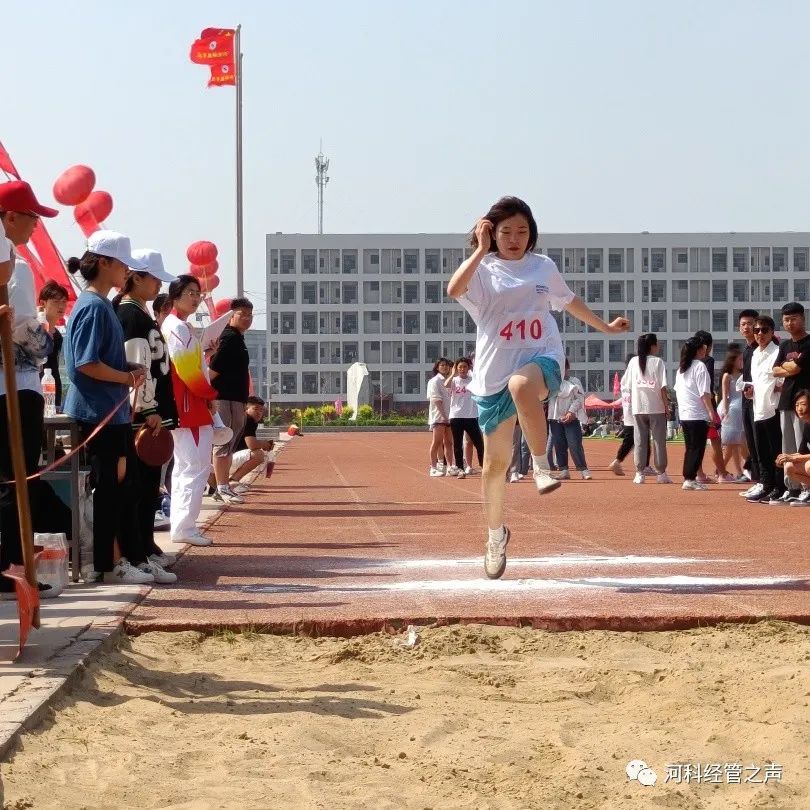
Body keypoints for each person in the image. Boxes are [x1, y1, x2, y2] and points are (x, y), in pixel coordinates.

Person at [447, 196, 629, 579]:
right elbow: (453, 289)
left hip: (543, 359)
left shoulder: (543, 267)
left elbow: (570, 301)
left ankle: (543, 467)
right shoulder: (483, 269)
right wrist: (481, 250)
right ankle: (495, 536)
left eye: (522, 231)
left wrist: (606, 328)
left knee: (521, 385)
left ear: (532, 235)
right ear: (491, 233)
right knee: (494, 468)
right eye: (506, 232)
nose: (514, 239)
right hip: (492, 373)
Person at [63, 230, 156, 584]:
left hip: (109, 410)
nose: (126, 273)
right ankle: (107, 564)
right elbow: (85, 364)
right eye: (122, 265)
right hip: (98, 410)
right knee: (112, 490)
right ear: (104, 263)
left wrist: (125, 372)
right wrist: (125, 377)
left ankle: (115, 561)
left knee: (119, 487)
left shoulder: (99, 305)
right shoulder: (92, 306)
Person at [0, 181, 72, 597]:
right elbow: (27, 332)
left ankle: (11, 561)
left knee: (10, 480)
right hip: (19, 385)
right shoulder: (17, 266)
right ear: (10, 216)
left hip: (14, 384)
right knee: (16, 480)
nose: (34, 227)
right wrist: (45, 340)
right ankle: (13, 564)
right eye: (32, 218)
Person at [114, 249, 179, 582]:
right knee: (139, 487)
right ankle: (136, 552)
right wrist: (148, 408)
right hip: (142, 415)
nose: (157, 285)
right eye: (152, 278)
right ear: (135, 277)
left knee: (149, 487)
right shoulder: (131, 317)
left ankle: (145, 547)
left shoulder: (139, 315)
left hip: (152, 412)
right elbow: (138, 367)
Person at [162, 274, 218, 545]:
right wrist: (208, 394)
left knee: (187, 466)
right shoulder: (178, 328)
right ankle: (185, 526)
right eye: (190, 293)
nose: (195, 298)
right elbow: (185, 369)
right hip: (188, 406)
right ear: (176, 295)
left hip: (189, 404)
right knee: (194, 465)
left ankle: (182, 525)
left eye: (197, 293)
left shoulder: (181, 326)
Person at [208, 297, 254, 504]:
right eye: (241, 314)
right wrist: (210, 397)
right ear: (230, 316)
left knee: (229, 443)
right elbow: (212, 372)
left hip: (236, 400)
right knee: (223, 443)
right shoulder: (228, 338)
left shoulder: (238, 338)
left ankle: (222, 486)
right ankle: (222, 487)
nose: (246, 318)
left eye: (249, 315)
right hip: (224, 399)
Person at [771, 302, 810, 506]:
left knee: (802, 446)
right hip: (786, 400)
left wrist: (789, 368)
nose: (790, 322)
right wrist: (790, 368)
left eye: (794, 318)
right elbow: (776, 370)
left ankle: (807, 488)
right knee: (788, 445)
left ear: (803, 319)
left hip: (805, 401)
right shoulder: (785, 345)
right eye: (786, 319)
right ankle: (791, 487)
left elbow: (795, 369)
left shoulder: (809, 343)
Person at [622, 333, 671, 484]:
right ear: (652, 346)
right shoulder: (658, 362)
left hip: (638, 407)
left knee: (640, 441)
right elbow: (662, 388)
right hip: (656, 407)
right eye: (657, 344)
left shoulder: (633, 362)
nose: (658, 346)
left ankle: (639, 473)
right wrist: (666, 406)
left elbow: (627, 385)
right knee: (658, 441)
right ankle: (661, 473)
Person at [746, 316, 783, 503]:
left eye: (764, 330)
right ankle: (767, 485)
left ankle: (779, 486)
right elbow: (756, 380)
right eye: (757, 330)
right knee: (761, 452)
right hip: (758, 408)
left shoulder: (777, 352)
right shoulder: (754, 354)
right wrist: (750, 391)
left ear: (772, 332)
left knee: (775, 450)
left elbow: (782, 379)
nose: (760, 334)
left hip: (773, 408)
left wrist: (778, 386)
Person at [674, 336, 719, 491]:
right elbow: (704, 394)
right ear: (699, 350)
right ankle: (690, 478)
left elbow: (679, 392)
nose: (705, 350)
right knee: (697, 448)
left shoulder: (682, 369)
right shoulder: (700, 366)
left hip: (686, 414)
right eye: (703, 348)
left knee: (690, 447)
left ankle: (689, 477)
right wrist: (711, 413)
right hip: (697, 414)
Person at [694, 330, 733, 482]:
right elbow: (707, 387)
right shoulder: (707, 361)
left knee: (695, 443)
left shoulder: (686, 363)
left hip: (692, 408)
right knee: (715, 441)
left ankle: (699, 474)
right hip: (706, 405)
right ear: (707, 346)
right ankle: (722, 474)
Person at [547, 359, 591, 480]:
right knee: (559, 445)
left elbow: (579, 399)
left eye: (563, 368)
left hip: (571, 418)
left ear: (567, 368)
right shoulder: (551, 382)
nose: (561, 371)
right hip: (555, 418)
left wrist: (571, 412)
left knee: (574, 444)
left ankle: (583, 469)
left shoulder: (574, 381)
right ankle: (563, 470)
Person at [610, 353, 651, 476]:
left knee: (632, 440)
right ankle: (620, 461)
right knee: (641, 440)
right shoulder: (635, 376)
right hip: (637, 412)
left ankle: (643, 465)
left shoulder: (624, 378)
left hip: (628, 412)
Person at [445, 357, 484, 479]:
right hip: (456, 416)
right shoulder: (454, 381)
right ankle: (460, 469)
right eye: (460, 367)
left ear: (468, 368)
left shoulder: (473, 381)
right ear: (456, 368)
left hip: (471, 416)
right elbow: (446, 384)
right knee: (457, 444)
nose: (462, 369)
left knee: (479, 444)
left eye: (465, 367)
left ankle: (484, 467)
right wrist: (452, 374)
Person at [737, 310, 762, 498]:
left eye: (750, 324)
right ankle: (758, 481)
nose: (746, 327)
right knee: (752, 443)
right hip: (746, 400)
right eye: (743, 324)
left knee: (760, 443)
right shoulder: (746, 350)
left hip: (760, 402)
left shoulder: (761, 349)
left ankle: (765, 482)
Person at [229, 396, 274, 489]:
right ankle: (233, 481)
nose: (259, 412)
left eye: (261, 410)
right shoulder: (248, 419)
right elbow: (252, 444)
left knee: (258, 453)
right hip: (226, 461)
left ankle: (222, 483)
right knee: (258, 455)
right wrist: (265, 444)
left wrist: (263, 444)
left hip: (220, 461)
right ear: (246, 408)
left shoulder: (242, 418)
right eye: (255, 409)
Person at [37, 280, 69, 409]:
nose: (61, 306)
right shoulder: (34, 328)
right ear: (43, 303)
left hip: (54, 385)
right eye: (56, 302)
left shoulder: (58, 335)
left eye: (64, 302)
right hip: (36, 387)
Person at [719, 344, 747, 481]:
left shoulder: (743, 375)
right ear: (733, 360)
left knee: (736, 443)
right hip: (732, 410)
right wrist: (725, 411)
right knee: (732, 444)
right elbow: (725, 395)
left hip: (741, 410)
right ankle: (722, 470)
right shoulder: (727, 376)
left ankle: (737, 472)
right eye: (740, 360)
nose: (742, 362)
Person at [776, 389, 810, 496]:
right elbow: (802, 452)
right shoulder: (807, 425)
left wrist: (792, 458)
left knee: (809, 466)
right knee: (789, 467)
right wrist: (785, 457)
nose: (799, 408)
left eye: (803, 404)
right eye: (797, 405)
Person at [427, 357, 454, 476]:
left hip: (449, 416)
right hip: (439, 416)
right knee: (437, 442)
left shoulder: (447, 381)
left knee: (448, 442)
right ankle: (433, 467)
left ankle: (449, 466)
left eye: (446, 365)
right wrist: (443, 416)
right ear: (437, 367)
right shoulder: (434, 381)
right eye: (442, 365)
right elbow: (436, 400)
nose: (445, 367)